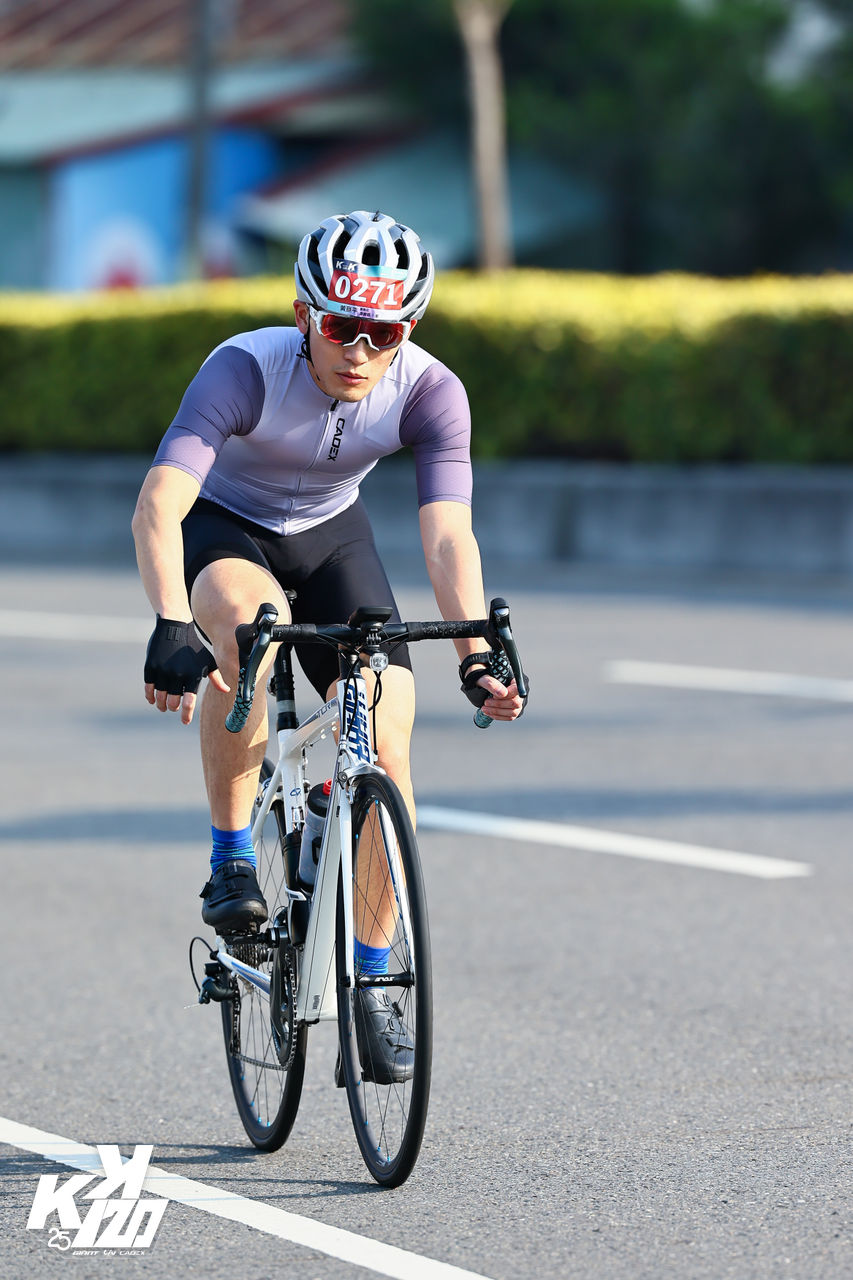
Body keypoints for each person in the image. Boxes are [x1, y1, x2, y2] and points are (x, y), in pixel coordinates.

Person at [132, 210, 524, 1079]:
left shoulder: (430, 390)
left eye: (383, 333)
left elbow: (448, 536)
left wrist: (473, 654)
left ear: (407, 331)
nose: (359, 351)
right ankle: (233, 857)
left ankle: (374, 982)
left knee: (386, 732)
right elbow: (159, 504)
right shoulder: (245, 368)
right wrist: (169, 618)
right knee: (253, 633)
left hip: (332, 538)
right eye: (341, 327)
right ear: (304, 315)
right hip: (227, 528)